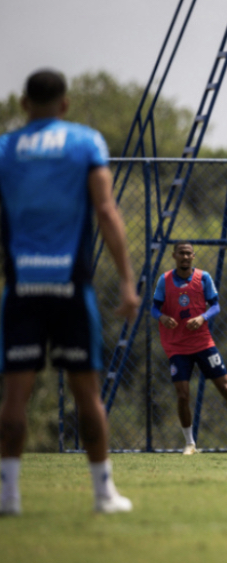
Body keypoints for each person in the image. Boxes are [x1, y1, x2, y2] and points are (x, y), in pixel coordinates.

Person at [0, 69, 139, 514]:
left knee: (14, 396)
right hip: (69, 286)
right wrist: (126, 279)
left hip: (22, 286)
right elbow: (104, 208)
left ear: (23, 104)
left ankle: (8, 497)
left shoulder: (5, 149)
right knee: (87, 395)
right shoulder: (85, 143)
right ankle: (103, 494)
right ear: (64, 104)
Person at [153, 242, 227, 454]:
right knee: (183, 394)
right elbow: (153, 308)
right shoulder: (164, 280)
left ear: (193, 256)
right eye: (181, 253)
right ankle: (190, 444)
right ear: (174, 255)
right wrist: (162, 317)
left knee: (225, 388)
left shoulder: (203, 278)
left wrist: (202, 317)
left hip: (203, 343)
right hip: (176, 346)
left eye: (188, 253)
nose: (185, 257)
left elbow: (216, 305)